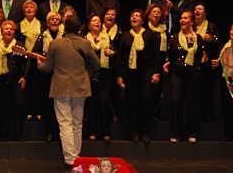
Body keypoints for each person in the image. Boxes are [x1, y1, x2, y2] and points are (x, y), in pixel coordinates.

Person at [38, 15, 99, 168]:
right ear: (79, 28)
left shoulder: (55, 43)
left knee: (65, 123)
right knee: (77, 123)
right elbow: (97, 64)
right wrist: (86, 73)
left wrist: (39, 63)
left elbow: (46, 68)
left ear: (64, 27)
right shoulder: (85, 43)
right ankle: (76, 156)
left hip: (61, 87)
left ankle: (70, 159)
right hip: (81, 87)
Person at [116, 9, 160, 144]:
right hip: (130, 74)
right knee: (132, 103)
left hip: (146, 73)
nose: (134, 17)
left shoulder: (150, 35)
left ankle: (145, 132)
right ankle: (134, 133)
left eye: (137, 16)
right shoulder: (125, 36)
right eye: (132, 15)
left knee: (146, 101)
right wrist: (119, 76)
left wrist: (156, 72)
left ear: (142, 20)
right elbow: (120, 58)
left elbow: (156, 56)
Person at [163, 10, 207, 143]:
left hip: (192, 73)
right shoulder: (174, 37)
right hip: (176, 72)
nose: (182, 20)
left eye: (186, 18)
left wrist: (203, 59)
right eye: (181, 18)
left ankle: (192, 133)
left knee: (192, 102)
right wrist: (167, 62)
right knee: (175, 100)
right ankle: (175, 133)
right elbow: (169, 55)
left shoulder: (198, 38)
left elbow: (201, 54)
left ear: (192, 21)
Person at [27, 11, 62, 141]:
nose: (54, 21)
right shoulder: (42, 37)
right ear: (47, 23)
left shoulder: (64, 36)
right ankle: (49, 132)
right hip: (46, 77)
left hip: (61, 75)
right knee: (47, 104)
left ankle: (60, 133)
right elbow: (35, 53)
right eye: (51, 19)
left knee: (60, 105)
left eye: (56, 19)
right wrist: (40, 59)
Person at [0, 20, 27, 141]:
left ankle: (17, 135)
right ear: (2, 32)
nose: (9, 30)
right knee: (2, 107)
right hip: (0, 80)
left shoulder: (19, 45)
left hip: (16, 80)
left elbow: (26, 63)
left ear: (14, 32)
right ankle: (3, 134)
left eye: (11, 29)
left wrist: (24, 77)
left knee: (18, 106)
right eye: (6, 29)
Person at [83, 14, 114, 143]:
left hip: (103, 75)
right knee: (91, 104)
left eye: (99, 21)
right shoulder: (84, 39)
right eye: (94, 20)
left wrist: (111, 53)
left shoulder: (106, 37)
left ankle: (106, 132)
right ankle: (92, 132)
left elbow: (112, 52)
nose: (97, 22)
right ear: (89, 24)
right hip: (89, 75)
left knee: (104, 102)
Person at [193, 3, 220, 121]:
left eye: (200, 9)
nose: (196, 11)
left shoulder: (211, 25)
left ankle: (207, 117)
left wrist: (212, 39)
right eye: (195, 9)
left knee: (207, 90)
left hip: (207, 64)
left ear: (205, 13)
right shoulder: (191, 25)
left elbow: (218, 41)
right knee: (195, 91)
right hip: (193, 63)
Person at [146, 4, 168, 122]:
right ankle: (147, 115)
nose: (156, 14)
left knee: (159, 92)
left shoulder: (164, 29)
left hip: (161, 63)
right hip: (148, 64)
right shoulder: (144, 28)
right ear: (149, 14)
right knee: (148, 92)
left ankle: (155, 115)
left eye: (158, 12)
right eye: (154, 12)